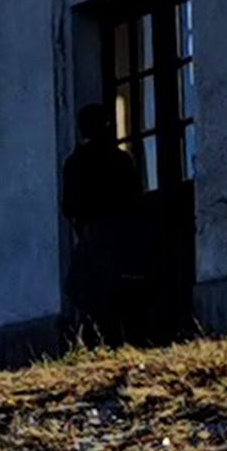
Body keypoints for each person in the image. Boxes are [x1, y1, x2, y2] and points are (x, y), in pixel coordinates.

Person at [59, 99, 147, 344]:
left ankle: (100, 337)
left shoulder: (76, 162)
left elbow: (69, 207)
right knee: (113, 289)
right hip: (117, 232)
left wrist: (83, 228)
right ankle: (115, 336)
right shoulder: (119, 160)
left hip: (96, 232)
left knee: (87, 288)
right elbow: (135, 199)